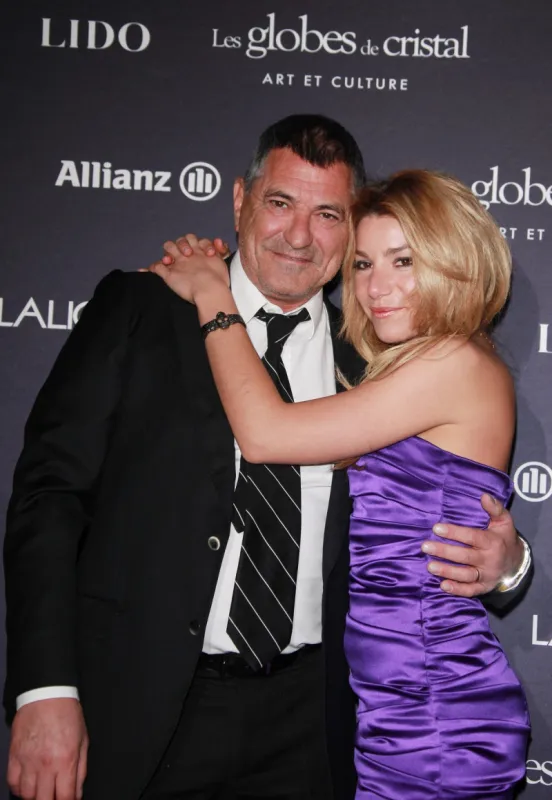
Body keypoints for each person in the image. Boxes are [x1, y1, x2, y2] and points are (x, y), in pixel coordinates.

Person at [3, 117, 530, 800]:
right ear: (240, 202)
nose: (300, 235)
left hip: (321, 725)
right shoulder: (141, 309)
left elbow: (415, 501)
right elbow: (50, 498)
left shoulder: (371, 364)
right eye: (281, 203)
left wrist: (509, 561)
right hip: (147, 705)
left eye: (329, 215)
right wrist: (44, 687)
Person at [148, 168, 531, 798]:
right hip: (391, 708)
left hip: (432, 712)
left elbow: (267, 435)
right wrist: (506, 555)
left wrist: (212, 296)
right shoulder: (404, 364)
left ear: (456, 261)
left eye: (403, 260)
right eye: (361, 264)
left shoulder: (451, 363)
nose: (377, 287)